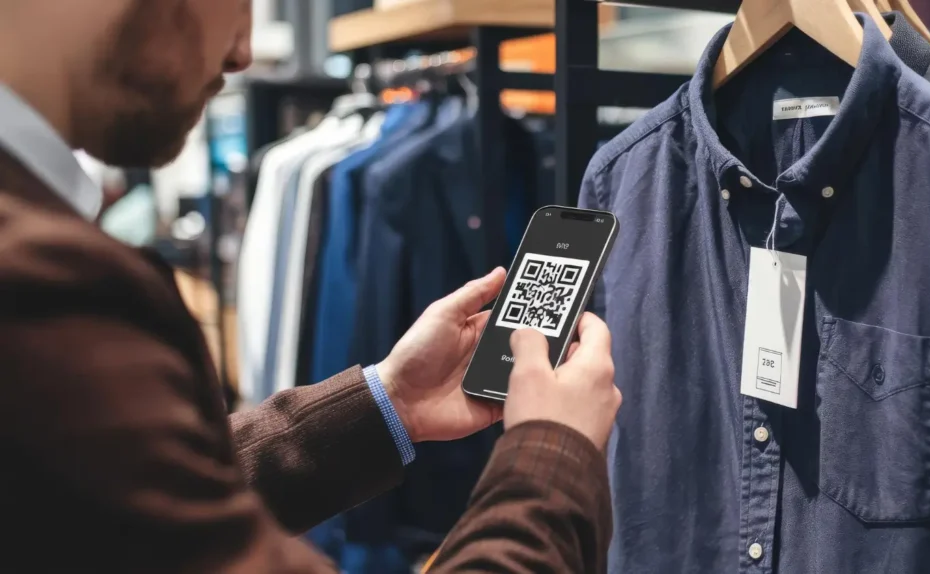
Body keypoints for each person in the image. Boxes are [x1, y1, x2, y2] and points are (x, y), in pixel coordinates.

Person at [0, 1, 621, 573]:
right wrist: (552, 452)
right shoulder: (39, 285)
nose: (241, 51)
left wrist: (388, 402)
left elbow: (126, 504)